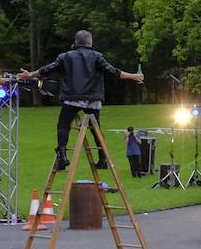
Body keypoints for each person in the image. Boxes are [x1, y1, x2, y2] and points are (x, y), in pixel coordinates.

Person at [19, 30, 143, 171]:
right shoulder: (97, 56)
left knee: (63, 125)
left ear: (76, 42)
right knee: (96, 130)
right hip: (92, 100)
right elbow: (113, 71)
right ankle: (102, 159)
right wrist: (133, 76)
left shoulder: (65, 56)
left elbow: (48, 69)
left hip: (71, 98)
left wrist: (30, 74)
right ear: (90, 42)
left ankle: (62, 155)